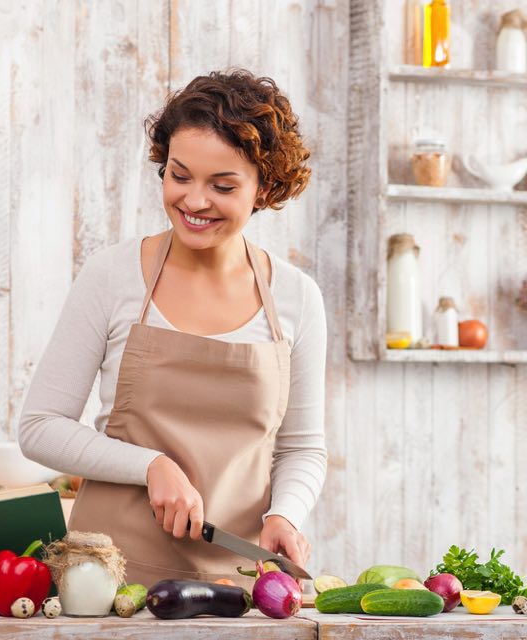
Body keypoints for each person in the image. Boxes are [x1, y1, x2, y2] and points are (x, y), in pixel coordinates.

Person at [19, 69, 328, 586]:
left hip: (236, 583)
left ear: (265, 188)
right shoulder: (112, 276)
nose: (195, 201)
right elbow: (40, 427)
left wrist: (285, 514)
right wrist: (150, 465)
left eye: (222, 186)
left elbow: (302, 447)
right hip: (105, 579)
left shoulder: (297, 297)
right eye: (180, 176)